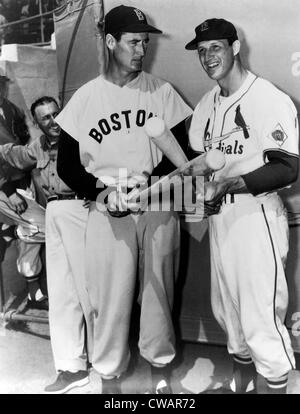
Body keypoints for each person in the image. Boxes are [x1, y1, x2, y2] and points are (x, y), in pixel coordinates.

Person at [44, 5, 192, 394]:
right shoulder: (86, 98)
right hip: (108, 206)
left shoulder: (161, 91)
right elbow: (68, 167)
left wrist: (153, 186)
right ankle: (109, 378)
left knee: (159, 292)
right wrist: (103, 191)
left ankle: (160, 371)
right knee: (109, 298)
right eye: (132, 41)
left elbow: (185, 151)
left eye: (145, 42)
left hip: (157, 202)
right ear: (110, 42)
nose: (141, 49)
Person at [185, 18, 299, 394]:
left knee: (261, 324)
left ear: (235, 48)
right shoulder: (207, 104)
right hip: (222, 219)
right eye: (201, 51)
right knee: (230, 321)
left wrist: (232, 182)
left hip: (257, 215)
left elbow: (287, 168)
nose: (207, 57)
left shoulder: (268, 98)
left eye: (215, 47)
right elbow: (201, 160)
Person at [0, 96, 86, 310]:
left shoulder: (82, 140)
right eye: (46, 118)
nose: (54, 121)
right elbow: (14, 154)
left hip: (82, 212)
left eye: (56, 114)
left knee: (84, 274)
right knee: (62, 279)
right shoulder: (37, 146)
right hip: (54, 213)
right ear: (37, 123)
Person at [0, 73, 48, 309]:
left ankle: (34, 289)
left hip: (21, 179)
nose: (1, 90)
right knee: (36, 228)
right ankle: (32, 290)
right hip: (4, 186)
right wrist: (8, 191)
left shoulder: (11, 109)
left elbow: (24, 142)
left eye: (2, 85)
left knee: (33, 230)